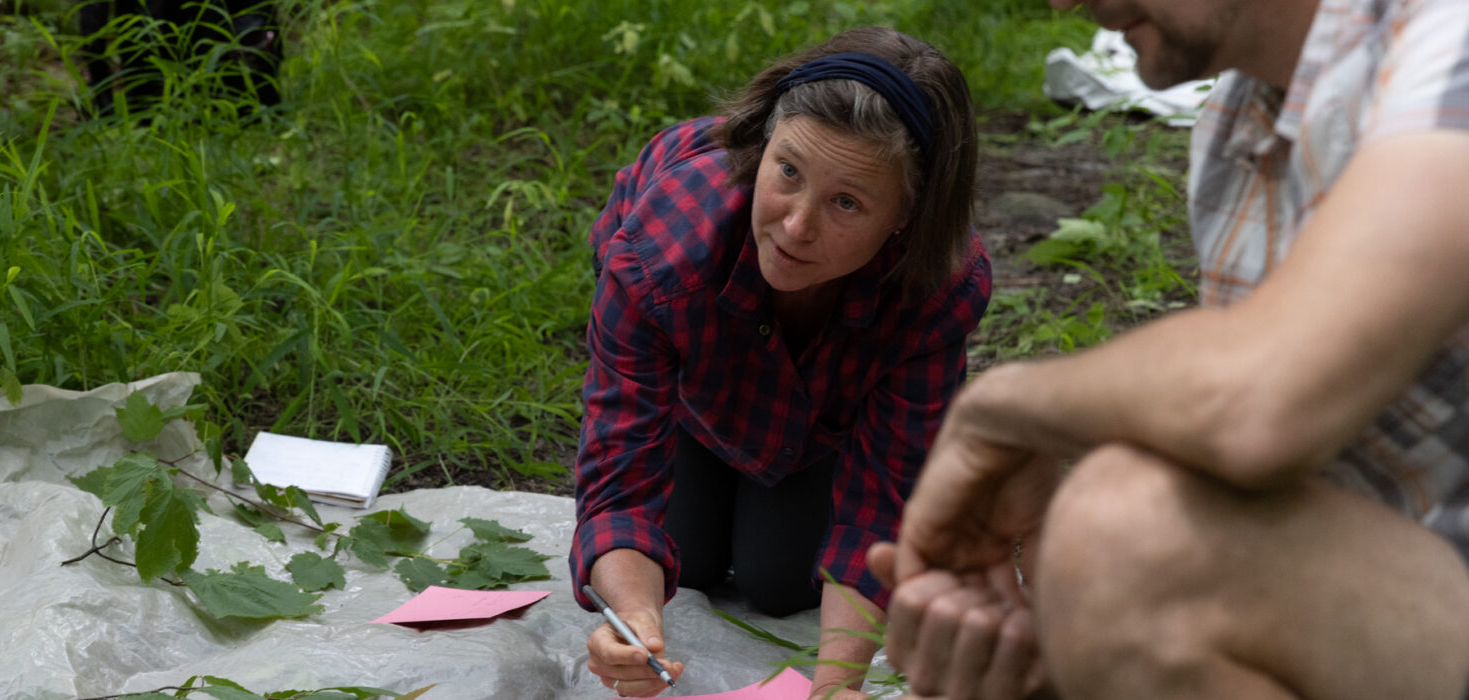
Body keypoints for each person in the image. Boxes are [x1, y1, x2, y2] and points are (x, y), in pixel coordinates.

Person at [867, 0, 1469, 698]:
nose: (1063, 5)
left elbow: (1261, 402)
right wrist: (1086, 640)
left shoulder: (1446, 41)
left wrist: (998, 408)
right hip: (1415, 583)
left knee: (1124, 532)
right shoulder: (1234, 125)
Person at [569, 26, 991, 699]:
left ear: (906, 217)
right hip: (698, 391)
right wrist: (634, 620)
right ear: (762, 144)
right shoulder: (661, 254)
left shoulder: (936, 290)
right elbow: (618, 477)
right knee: (689, 561)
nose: (797, 227)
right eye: (787, 171)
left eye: (847, 203)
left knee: (777, 580)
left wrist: (835, 686)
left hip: (821, 418)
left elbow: (883, 499)